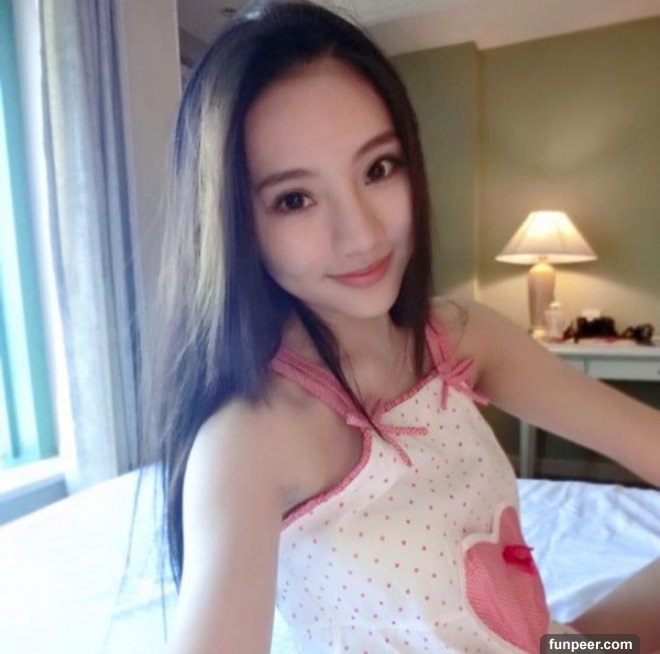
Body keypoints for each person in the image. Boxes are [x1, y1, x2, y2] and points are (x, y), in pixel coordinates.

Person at [140, 1, 660, 652]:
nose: (361, 235)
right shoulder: (251, 440)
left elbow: (643, 436)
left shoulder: (457, 336)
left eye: (378, 168)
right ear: (235, 224)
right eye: (295, 199)